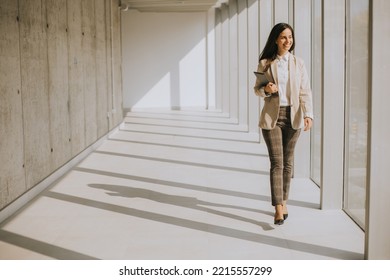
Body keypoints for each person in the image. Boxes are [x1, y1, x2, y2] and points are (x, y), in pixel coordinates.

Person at [254, 23, 313, 225]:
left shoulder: (299, 63)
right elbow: (257, 90)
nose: (288, 41)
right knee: (277, 163)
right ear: (276, 40)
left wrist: (309, 114)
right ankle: (278, 208)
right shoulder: (265, 63)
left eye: (290, 37)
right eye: (283, 37)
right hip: (272, 117)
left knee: (288, 164)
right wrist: (267, 89)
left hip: (294, 116)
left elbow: (305, 91)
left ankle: (284, 200)